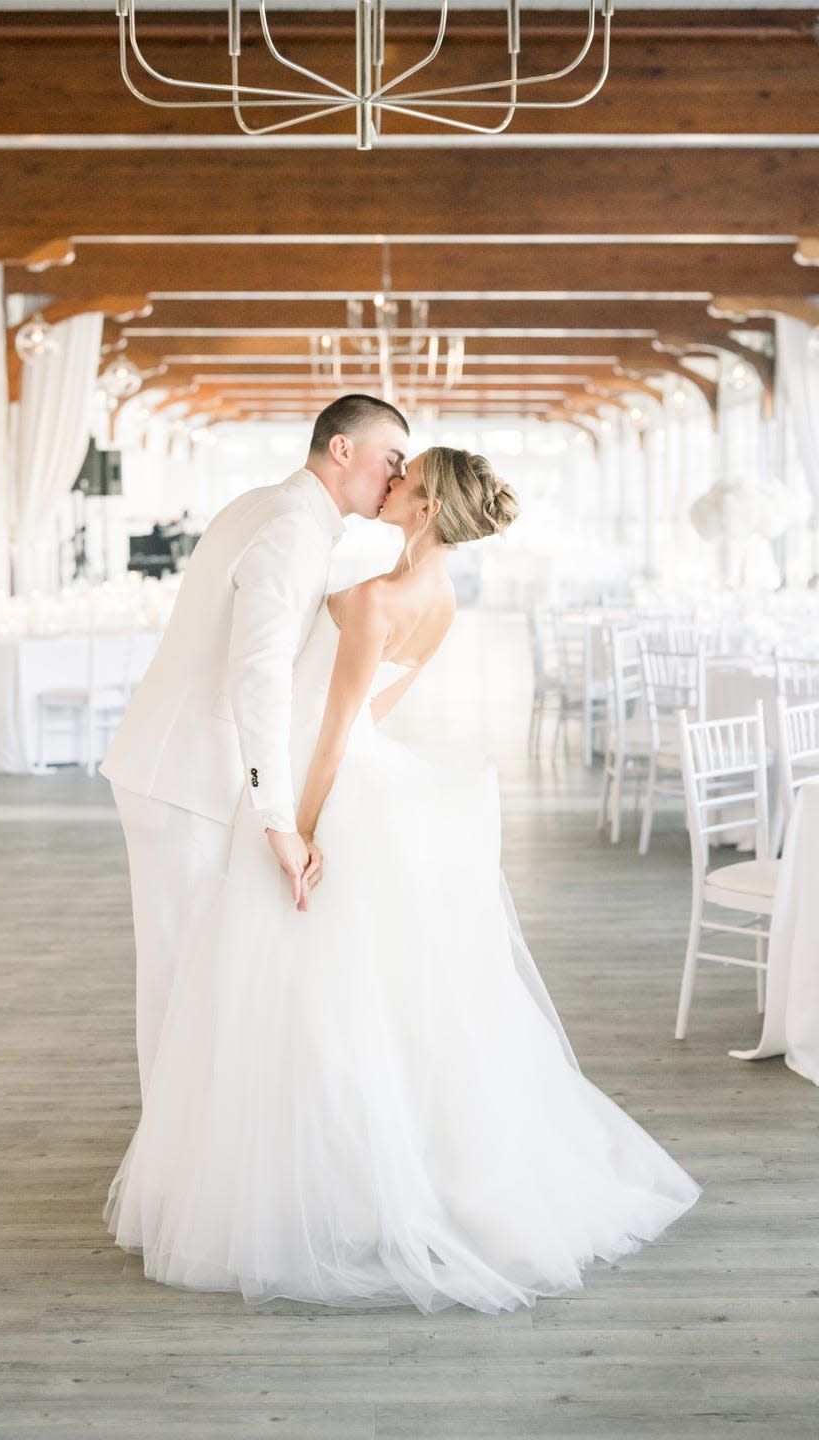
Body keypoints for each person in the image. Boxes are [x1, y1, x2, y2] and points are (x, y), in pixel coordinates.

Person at [106, 447, 701, 1316]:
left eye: (403, 478)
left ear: (422, 508)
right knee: (364, 997)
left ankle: (319, 1176)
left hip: (325, 783)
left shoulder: (380, 597)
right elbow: (377, 711)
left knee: (305, 989)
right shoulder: (443, 600)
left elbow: (341, 724)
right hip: (365, 779)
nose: (389, 483)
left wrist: (297, 826)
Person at [99, 394, 410, 1098]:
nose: (396, 477)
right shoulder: (294, 528)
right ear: (341, 450)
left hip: (176, 763)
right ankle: (172, 1163)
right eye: (390, 459)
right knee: (182, 972)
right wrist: (280, 818)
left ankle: (184, 1141)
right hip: (184, 774)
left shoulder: (269, 507)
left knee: (191, 968)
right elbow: (258, 671)